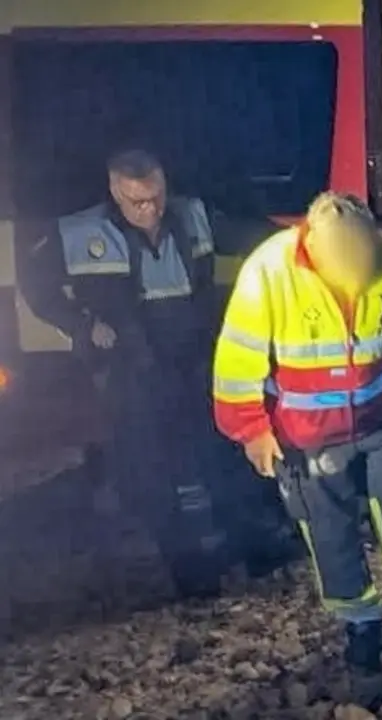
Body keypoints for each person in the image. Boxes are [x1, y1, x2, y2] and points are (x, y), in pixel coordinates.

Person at [211, 192, 382, 677]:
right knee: (330, 531)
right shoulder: (269, 271)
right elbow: (237, 361)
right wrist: (253, 432)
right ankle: (361, 624)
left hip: (379, 418)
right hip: (307, 436)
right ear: (311, 243)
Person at [20, 148, 232, 599]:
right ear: (116, 191)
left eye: (156, 196)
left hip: (189, 360)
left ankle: (224, 549)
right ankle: (184, 568)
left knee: (201, 459)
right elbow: (35, 285)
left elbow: (244, 236)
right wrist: (81, 325)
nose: (150, 209)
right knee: (148, 468)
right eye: (138, 201)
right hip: (130, 370)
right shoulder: (81, 232)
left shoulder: (191, 215)